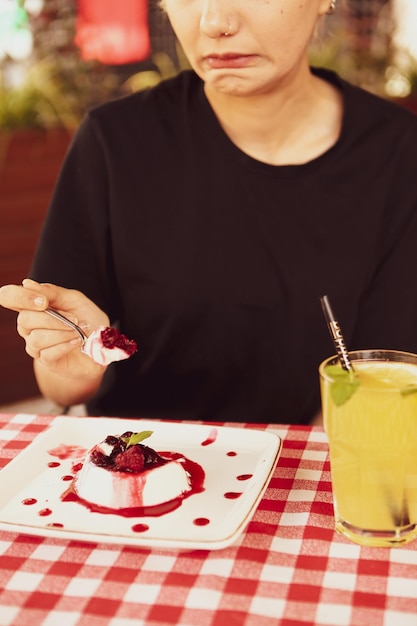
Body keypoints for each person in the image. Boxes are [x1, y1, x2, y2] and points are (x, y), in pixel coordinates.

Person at [1, 0, 417, 424]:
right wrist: (76, 354)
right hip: (144, 468)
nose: (215, 22)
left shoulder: (398, 153)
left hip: (313, 465)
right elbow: (58, 385)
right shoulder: (116, 141)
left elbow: (386, 381)